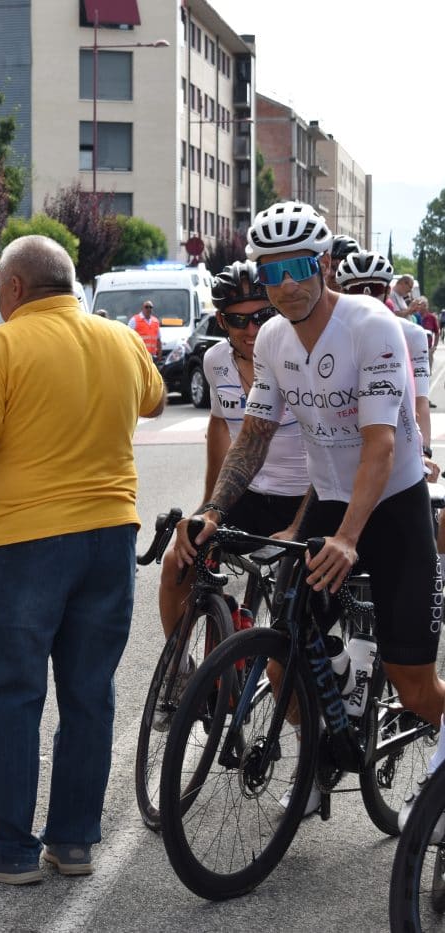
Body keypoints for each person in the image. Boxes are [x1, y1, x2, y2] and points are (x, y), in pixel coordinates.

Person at [175, 201, 445, 826]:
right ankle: (317, 759)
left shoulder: (369, 324)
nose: (288, 283)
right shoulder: (271, 337)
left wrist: (350, 538)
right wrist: (214, 509)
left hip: (392, 505)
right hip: (329, 502)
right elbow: (255, 432)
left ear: (323, 263)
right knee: (283, 653)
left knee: (412, 681)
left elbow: (380, 443)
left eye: (299, 266)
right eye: (273, 272)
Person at [0, 234, 165, 884]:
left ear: (13, 288)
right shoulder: (120, 337)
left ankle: (9, 846)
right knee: (89, 692)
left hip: (27, 541)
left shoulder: (4, 344)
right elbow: (152, 399)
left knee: (10, 691)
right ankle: (73, 841)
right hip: (111, 535)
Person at [152, 262, 308, 730]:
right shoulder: (215, 360)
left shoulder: (298, 356)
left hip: (307, 496)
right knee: (179, 562)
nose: (250, 329)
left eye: (260, 315)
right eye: (236, 319)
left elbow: (331, 451)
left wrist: (300, 526)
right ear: (221, 321)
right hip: (251, 491)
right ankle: (180, 674)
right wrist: (209, 507)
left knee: (290, 640)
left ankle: (311, 759)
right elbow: (220, 428)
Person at [335, 251, 434, 459]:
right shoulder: (328, 336)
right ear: (342, 292)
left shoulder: (413, 334)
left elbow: (421, 400)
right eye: (357, 289)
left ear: (387, 291)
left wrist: (425, 451)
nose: (367, 295)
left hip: (400, 448)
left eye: (375, 288)